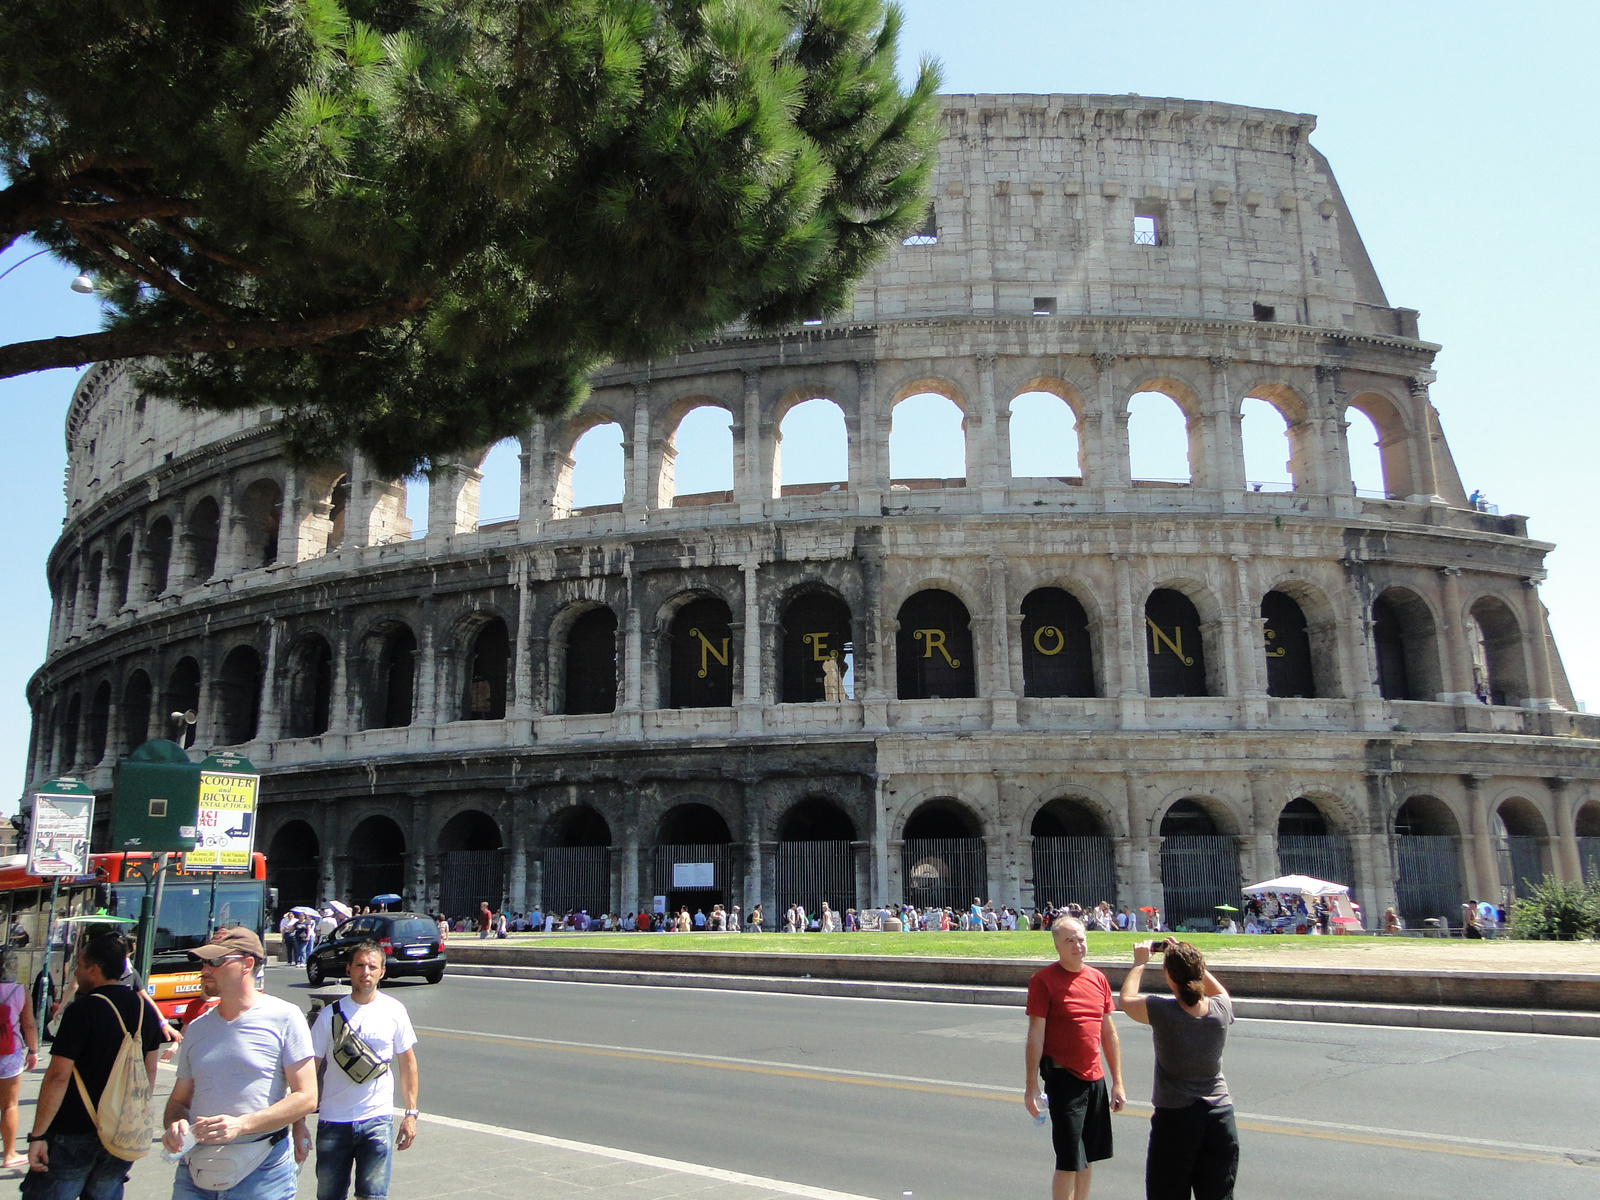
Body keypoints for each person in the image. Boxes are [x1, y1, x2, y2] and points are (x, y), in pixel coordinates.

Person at [161, 928, 317, 1200]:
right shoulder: (197, 1028)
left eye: (216, 961)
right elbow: (178, 1102)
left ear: (247, 964)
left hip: (262, 1171)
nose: (206, 969)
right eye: (204, 961)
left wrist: (242, 1124)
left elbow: (306, 1097)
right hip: (195, 1170)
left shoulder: (285, 1017)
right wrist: (174, 1126)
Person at [24, 934, 162, 1200]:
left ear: (94, 969)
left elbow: (58, 1077)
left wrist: (37, 1135)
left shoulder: (82, 1011)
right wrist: (135, 1113)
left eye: (79, 965)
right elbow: (150, 1071)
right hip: (122, 1130)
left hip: (73, 1129)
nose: (76, 971)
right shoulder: (144, 1009)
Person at [299, 941, 419, 1200]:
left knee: (373, 1195)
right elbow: (310, 1068)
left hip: (377, 1119)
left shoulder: (394, 1010)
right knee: (329, 1196)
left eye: (372, 966)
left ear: (382, 973)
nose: (366, 971)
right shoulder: (329, 1015)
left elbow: (407, 1063)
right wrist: (298, 1120)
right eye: (360, 965)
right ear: (349, 970)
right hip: (333, 1121)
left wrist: (410, 1114)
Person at [1119, 940, 1237, 1200]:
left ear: (1169, 977)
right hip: (1220, 1118)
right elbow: (1220, 992)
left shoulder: (1162, 1010)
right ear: (1200, 971)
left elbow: (1126, 1000)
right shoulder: (1220, 1010)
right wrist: (1189, 956)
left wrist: (1140, 963)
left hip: (1176, 1120)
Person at [1023, 916, 1125, 1200]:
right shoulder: (1043, 981)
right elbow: (1036, 1034)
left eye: (1081, 939)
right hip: (1064, 1078)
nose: (1078, 945)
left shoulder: (1098, 978)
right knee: (1069, 1159)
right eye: (1070, 940)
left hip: (1095, 1078)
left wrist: (1117, 1082)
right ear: (1057, 945)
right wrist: (1031, 1085)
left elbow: (1108, 1032)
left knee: (1088, 1155)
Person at [0, 951, 39, 1168]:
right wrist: (33, 1051)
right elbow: (29, 1024)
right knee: (9, 1105)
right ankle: (9, 1155)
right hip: (8, 1052)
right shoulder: (19, 990)